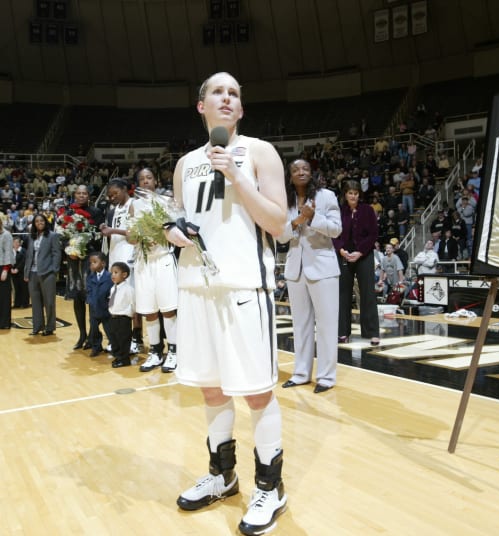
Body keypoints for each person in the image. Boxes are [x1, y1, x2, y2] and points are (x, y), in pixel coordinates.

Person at [164, 72, 288, 535]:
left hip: (243, 287)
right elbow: (180, 223)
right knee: (211, 389)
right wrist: (172, 233)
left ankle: (271, 488)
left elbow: (278, 224)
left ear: (240, 109)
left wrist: (237, 176)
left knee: (256, 390)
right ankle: (223, 475)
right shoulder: (184, 164)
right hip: (196, 286)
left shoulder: (259, 152)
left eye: (235, 93)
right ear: (202, 106)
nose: (227, 98)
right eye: (218, 91)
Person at [278, 159, 341, 393]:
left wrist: (313, 218)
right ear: (290, 175)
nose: (301, 172)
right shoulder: (284, 200)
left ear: (311, 173)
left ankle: (326, 376)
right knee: (300, 325)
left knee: (326, 325)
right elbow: (280, 236)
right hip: (296, 269)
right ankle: (301, 373)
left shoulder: (327, 196)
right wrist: (297, 220)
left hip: (323, 268)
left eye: (305, 169)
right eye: (295, 170)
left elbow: (336, 229)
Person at [131, 168, 179, 374]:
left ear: (156, 180)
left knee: (168, 308)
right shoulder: (134, 205)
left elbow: (174, 231)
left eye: (149, 178)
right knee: (149, 310)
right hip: (143, 261)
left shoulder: (164, 202)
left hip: (163, 259)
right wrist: (139, 235)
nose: (145, 181)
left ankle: (174, 351)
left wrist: (158, 233)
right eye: (141, 179)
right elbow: (130, 237)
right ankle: (155, 352)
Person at [333, 179, 380, 346]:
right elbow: (333, 234)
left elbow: (373, 234)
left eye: (356, 193)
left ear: (359, 195)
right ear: (345, 195)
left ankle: (372, 332)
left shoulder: (367, 210)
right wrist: (341, 250)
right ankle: (342, 332)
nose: (353, 196)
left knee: (368, 293)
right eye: (350, 193)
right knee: (343, 294)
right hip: (344, 256)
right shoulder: (339, 211)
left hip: (364, 255)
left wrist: (360, 252)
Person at [100, 178, 142, 352]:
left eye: (115, 193)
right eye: (109, 195)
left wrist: (113, 231)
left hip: (130, 255)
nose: (112, 197)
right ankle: (121, 339)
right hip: (116, 253)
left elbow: (136, 232)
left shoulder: (134, 205)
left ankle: (137, 339)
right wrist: (106, 229)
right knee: (119, 299)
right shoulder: (114, 209)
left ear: (125, 189)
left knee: (132, 300)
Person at [63, 184, 104, 350]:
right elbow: (63, 235)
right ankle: (81, 334)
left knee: (91, 300)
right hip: (73, 261)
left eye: (84, 193)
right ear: (75, 195)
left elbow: (99, 236)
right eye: (78, 193)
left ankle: (94, 336)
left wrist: (82, 246)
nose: (81, 196)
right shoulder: (68, 213)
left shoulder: (96, 212)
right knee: (77, 299)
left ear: (89, 196)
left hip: (90, 261)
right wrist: (70, 248)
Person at [24, 213, 62, 336]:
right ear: (34, 224)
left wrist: (54, 270)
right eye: (37, 221)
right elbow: (29, 255)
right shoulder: (32, 236)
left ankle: (50, 327)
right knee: (35, 302)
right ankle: (37, 326)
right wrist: (26, 272)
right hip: (32, 273)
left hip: (47, 272)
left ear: (45, 222)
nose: (39, 223)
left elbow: (57, 253)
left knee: (49, 301)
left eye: (42, 221)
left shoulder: (52, 236)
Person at [107, 261, 135, 367]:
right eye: (112, 273)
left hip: (123, 318)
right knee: (114, 339)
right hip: (113, 317)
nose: (112, 275)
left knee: (123, 340)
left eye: (115, 272)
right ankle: (118, 357)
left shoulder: (129, 289)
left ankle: (124, 359)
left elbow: (133, 303)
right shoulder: (113, 288)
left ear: (124, 275)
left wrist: (129, 315)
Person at [86, 251, 112, 357]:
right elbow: (89, 290)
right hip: (94, 308)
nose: (92, 264)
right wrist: (90, 301)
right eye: (91, 262)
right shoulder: (90, 277)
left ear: (103, 263)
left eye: (95, 262)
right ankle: (96, 347)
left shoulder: (109, 277)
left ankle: (114, 345)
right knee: (94, 330)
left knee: (109, 330)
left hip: (106, 308)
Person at [0, 218, 13, 329]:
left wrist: (5, 269)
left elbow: (8, 252)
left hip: (3, 267)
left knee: (4, 297)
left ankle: (4, 323)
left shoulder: (6, 235)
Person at [11, 237, 29, 308]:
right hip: (13, 272)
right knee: (16, 288)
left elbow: (24, 261)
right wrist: (11, 269)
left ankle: (24, 303)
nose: (15, 244)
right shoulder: (10, 251)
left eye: (17, 242)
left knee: (24, 288)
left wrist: (17, 269)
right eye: (14, 242)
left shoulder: (24, 251)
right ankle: (17, 303)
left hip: (22, 272)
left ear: (20, 243)